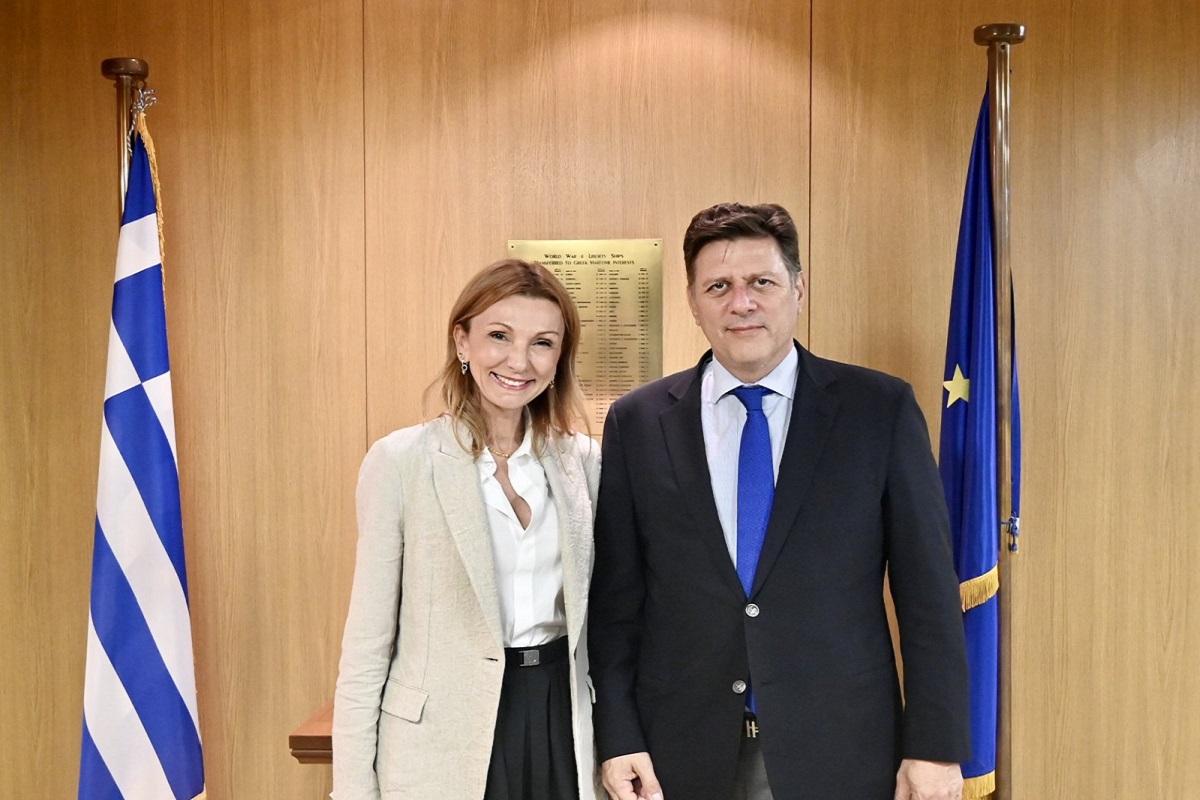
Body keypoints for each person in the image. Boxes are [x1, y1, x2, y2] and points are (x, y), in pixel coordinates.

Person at [587, 203, 971, 800]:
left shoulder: (878, 410)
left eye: (761, 282)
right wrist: (617, 737)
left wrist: (936, 749)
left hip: (842, 751)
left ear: (798, 288)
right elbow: (616, 605)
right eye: (718, 286)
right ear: (692, 302)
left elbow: (928, 595)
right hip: (678, 755)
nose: (741, 303)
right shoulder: (637, 422)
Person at [333, 259, 602, 800]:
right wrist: (353, 790)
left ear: (560, 358)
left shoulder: (584, 462)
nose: (518, 361)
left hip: (561, 718)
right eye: (499, 336)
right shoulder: (402, 461)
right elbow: (367, 646)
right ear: (463, 341)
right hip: (443, 737)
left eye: (542, 343)